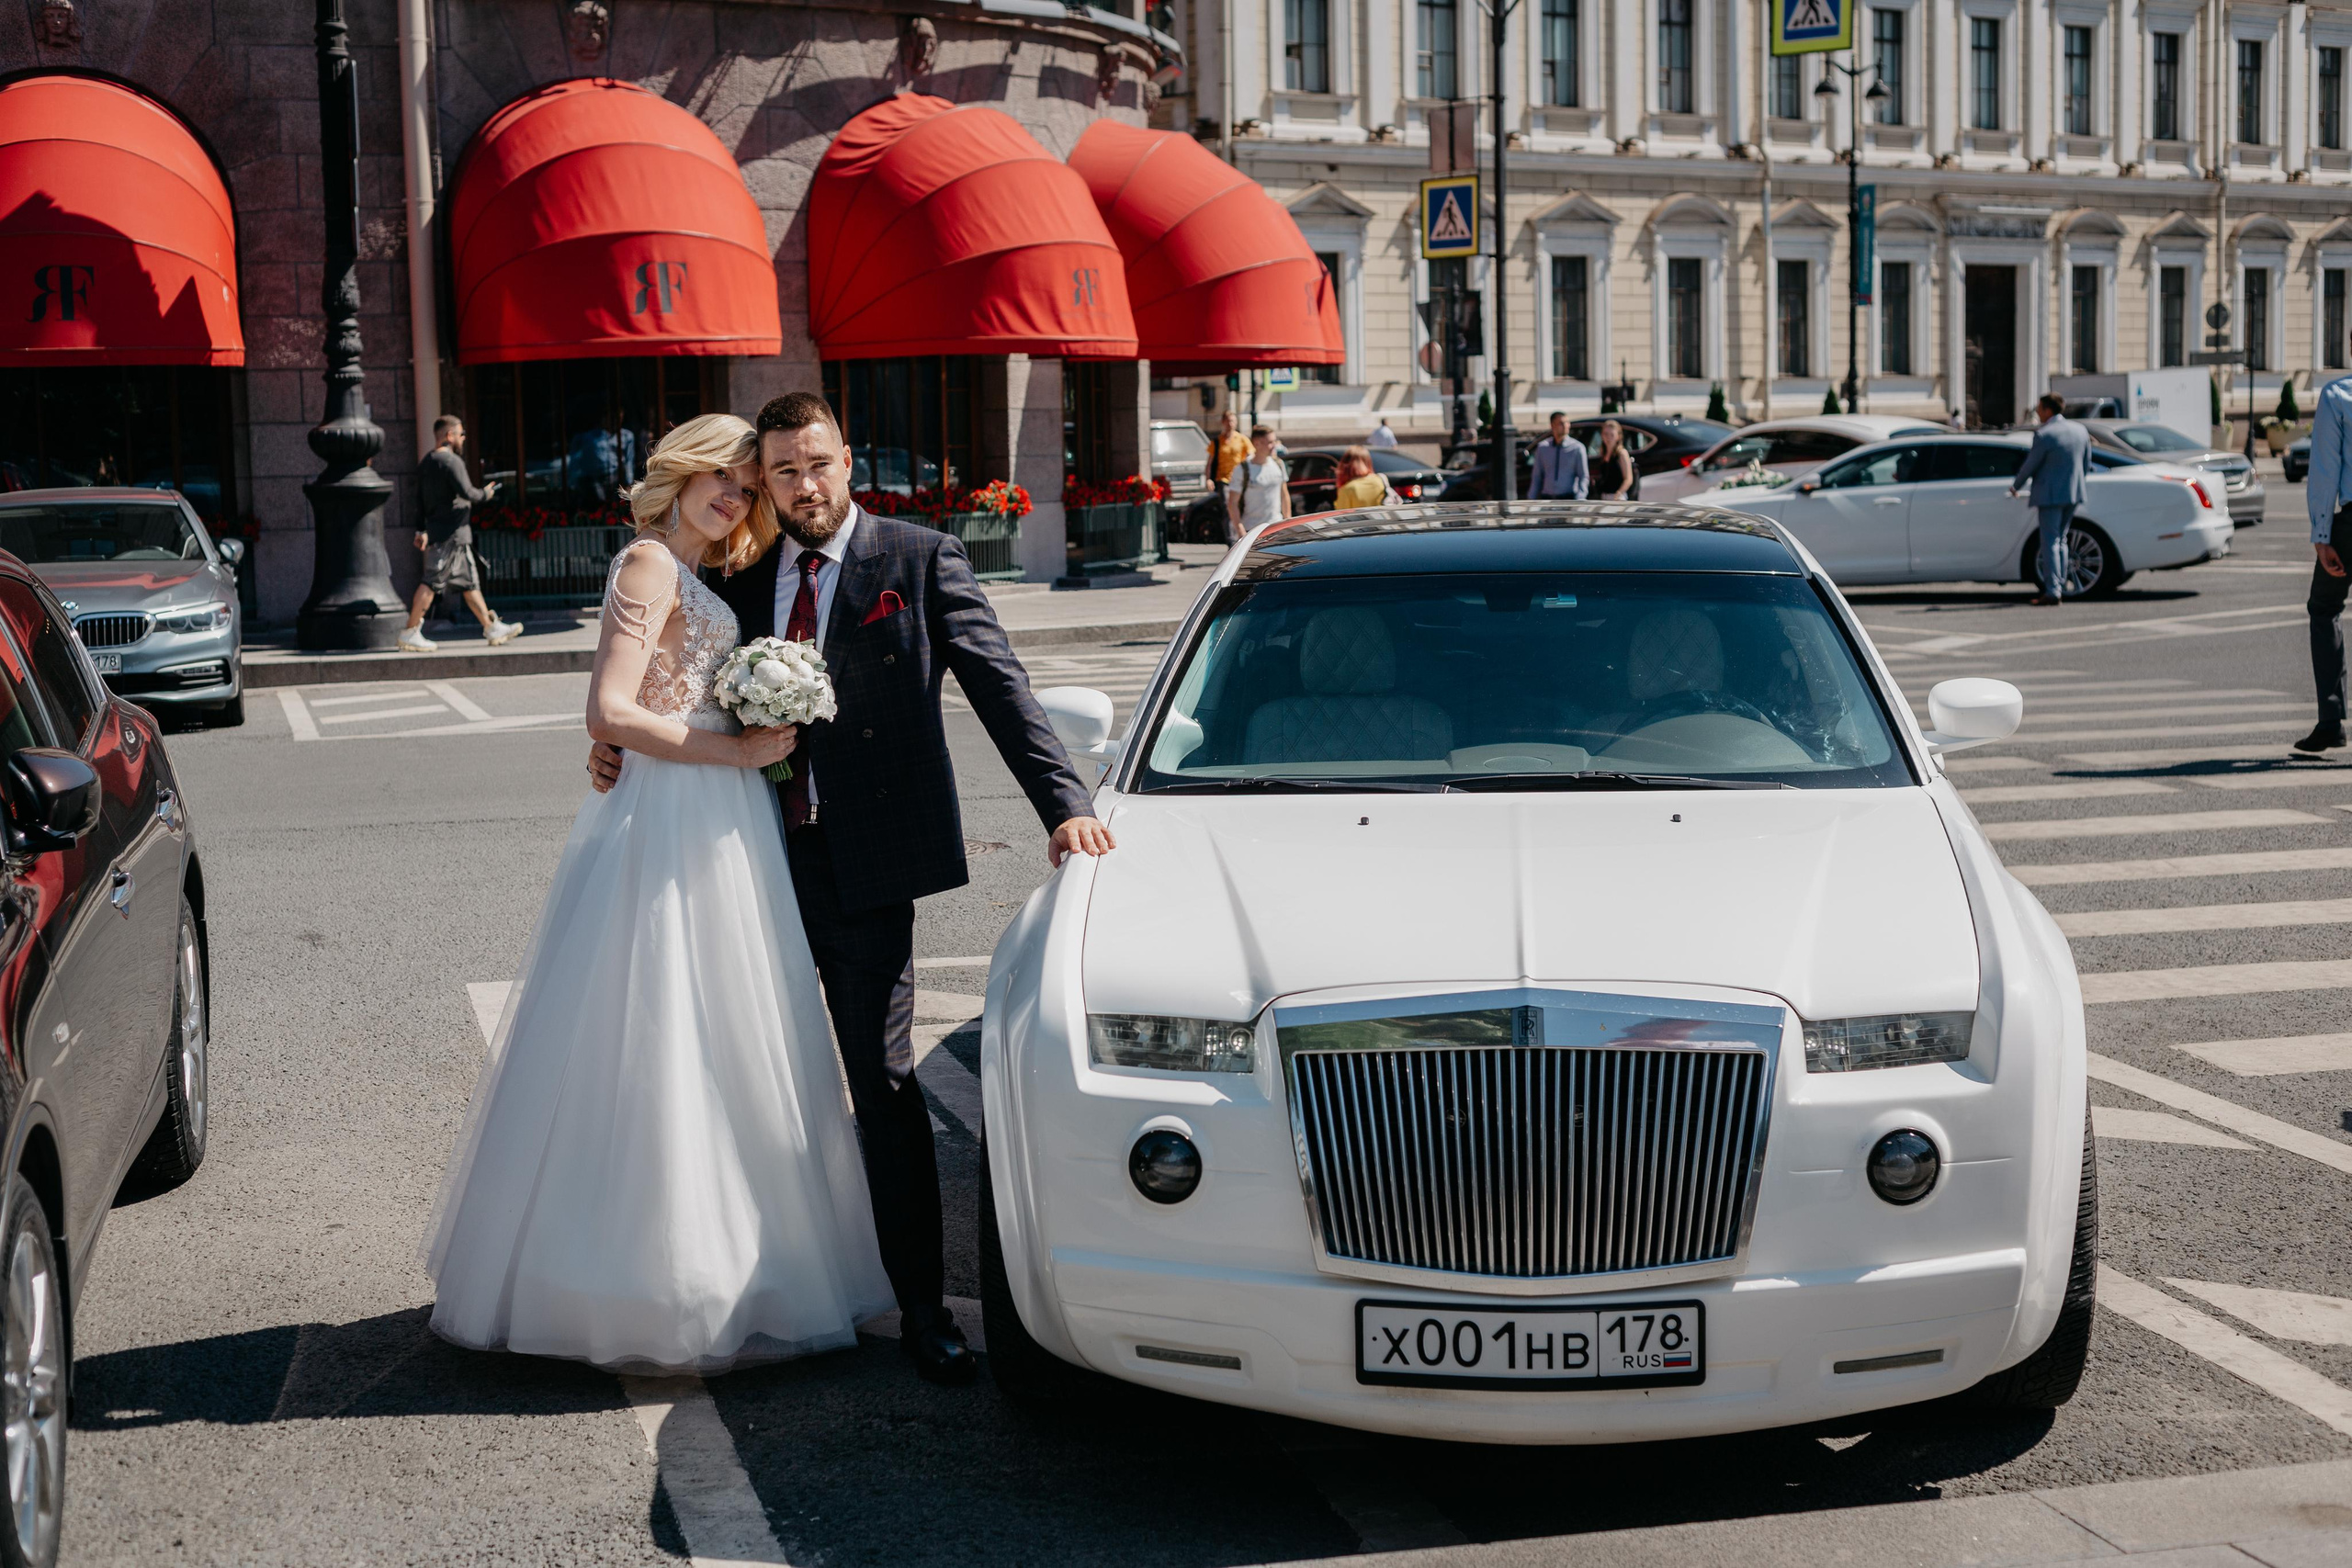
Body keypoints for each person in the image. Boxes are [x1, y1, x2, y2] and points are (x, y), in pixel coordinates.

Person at [589, 391, 1115, 1384]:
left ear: (847, 461)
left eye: (816, 464)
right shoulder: (739, 568)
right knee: (738, 1073)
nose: (801, 486)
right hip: (739, 861)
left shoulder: (916, 560)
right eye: (779, 473)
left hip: (866, 867)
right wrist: (613, 750)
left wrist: (1063, 806)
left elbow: (1000, 685)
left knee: (879, 1081)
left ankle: (921, 1305)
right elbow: (666, 676)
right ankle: (748, 1279)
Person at [425, 414, 894, 1376]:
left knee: (729, 1029)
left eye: (744, 484)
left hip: (719, 815)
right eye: (717, 477)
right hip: (673, 817)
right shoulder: (648, 562)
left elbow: (645, 705)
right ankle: (644, 1278)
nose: (733, 495)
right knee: (660, 1030)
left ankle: (732, 1263)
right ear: (675, 476)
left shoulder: (703, 569)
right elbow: (610, 709)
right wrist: (735, 747)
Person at [401, 415, 521, 653]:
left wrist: (421, 529)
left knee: (469, 583)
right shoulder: (451, 461)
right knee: (432, 581)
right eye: (460, 433)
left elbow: (419, 503)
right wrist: (486, 494)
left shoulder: (426, 463)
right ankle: (410, 631)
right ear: (449, 435)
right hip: (452, 535)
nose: (463, 438)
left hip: (448, 533)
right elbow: (469, 493)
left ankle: (490, 627)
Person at [2298, 372, 2352, 754]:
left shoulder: (2339, 394)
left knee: (2324, 609)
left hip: (2351, 525)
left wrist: (2321, 535)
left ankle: (2331, 720)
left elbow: (2325, 467)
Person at [2008, 391, 2092, 606]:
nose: (2037, 411)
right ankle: (2061, 584)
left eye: (2039, 408)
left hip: (2049, 495)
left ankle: (2053, 590)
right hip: (2073, 493)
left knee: (2051, 543)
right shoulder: (2080, 430)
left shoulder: (2045, 434)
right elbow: (2086, 463)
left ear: (2047, 410)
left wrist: (2016, 486)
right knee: (2061, 540)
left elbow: (2030, 465)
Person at [1225, 423, 1291, 541]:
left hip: (1276, 527)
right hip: (1251, 530)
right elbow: (1232, 503)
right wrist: (1240, 530)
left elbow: (1284, 495)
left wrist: (1288, 522)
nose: (1274, 446)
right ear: (1257, 443)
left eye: (1274, 442)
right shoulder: (1243, 469)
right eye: (1270, 442)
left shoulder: (1278, 464)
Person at [1529, 412, 1589, 500]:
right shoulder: (1543, 448)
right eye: (1561, 423)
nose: (1565, 426)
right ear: (1552, 425)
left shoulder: (1577, 448)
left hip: (1568, 498)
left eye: (1567, 422)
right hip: (1547, 498)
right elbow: (1537, 476)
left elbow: (1583, 476)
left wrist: (1580, 498)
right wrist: (1531, 499)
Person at [1333, 445, 1396, 510]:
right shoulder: (1380, 480)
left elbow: (1340, 515)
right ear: (1368, 462)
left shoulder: (1347, 489)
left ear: (1344, 466)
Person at [1590, 419, 1635, 500]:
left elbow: (1628, 479)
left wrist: (1618, 494)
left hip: (1618, 497)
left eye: (1612, 435)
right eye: (1605, 434)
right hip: (1605, 496)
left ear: (1618, 436)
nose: (1608, 438)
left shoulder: (1621, 453)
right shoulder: (1603, 453)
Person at [1210, 410, 1250, 493]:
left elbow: (1251, 455)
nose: (1230, 424)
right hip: (1223, 480)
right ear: (1223, 422)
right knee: (1226, 504)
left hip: (1239, 478)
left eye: (1232, 421)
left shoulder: (1242, 439)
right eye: (1228, 421)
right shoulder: (1217, 441)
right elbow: (1210, 462)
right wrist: (1208, 479)